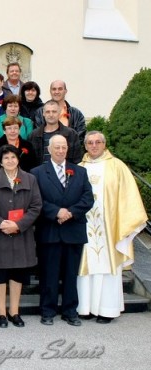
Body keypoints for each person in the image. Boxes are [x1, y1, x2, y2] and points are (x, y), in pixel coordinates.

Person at [78, 131, 148, 323]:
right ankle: (86, 307)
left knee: (107, 267)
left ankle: (107, 310)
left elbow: (129, 196)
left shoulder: (117, 166)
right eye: (90, 143)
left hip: (110, 227)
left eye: (98, 142)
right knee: (85, 267)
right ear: (85, 145)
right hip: (85, 227)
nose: (94, 146)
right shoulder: (78, 168)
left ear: (104, 144)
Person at [32, 134, 93, 326]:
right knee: (48, 274)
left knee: (70, 274)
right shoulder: (37, 173)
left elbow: (87, 198)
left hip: (73, 230)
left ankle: (70, 311)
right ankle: (47, 310)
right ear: (49, 149)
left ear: (68, 149)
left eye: (63, 147)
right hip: (50, 230)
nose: (60, 151)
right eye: (56, 147)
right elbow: (36, 200)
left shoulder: (80, 172)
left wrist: (71, 213)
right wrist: (56, 212)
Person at [0, 145, 42, 328]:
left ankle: (14, 311)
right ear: (0, 161)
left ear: (18, 159)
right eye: (6, 158)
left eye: (13, 157)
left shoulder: (30, 179)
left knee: (18, 273)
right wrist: (0, 223)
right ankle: (1, 312)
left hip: (21, 235)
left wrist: (19, 225)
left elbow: (36, 206)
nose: (10, 161)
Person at [28, 100, 82, 166]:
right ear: (43, 113)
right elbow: (30, 163)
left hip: (64, 174)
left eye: (54, 112)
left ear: (59, 113)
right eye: (48, 112)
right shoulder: (34, 135)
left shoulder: (71, 134)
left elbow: (76, 160)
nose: (51, 115)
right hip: (40, 175)